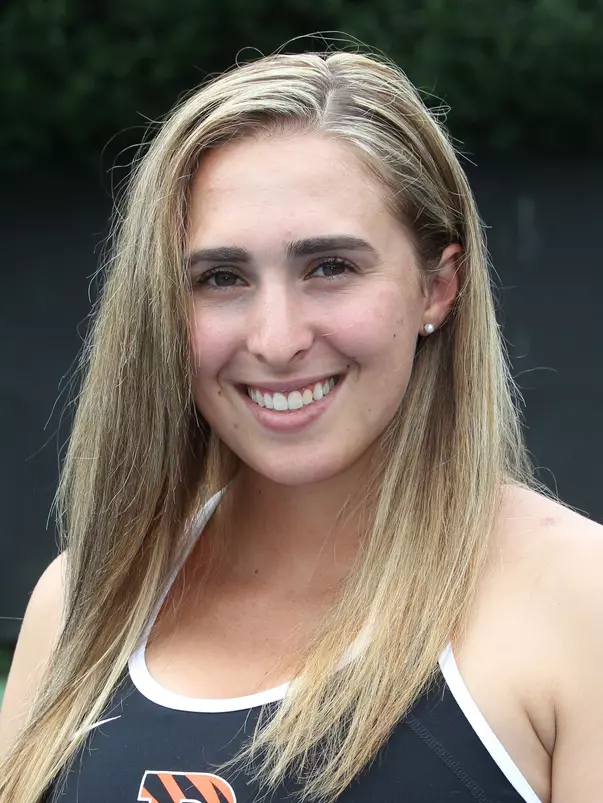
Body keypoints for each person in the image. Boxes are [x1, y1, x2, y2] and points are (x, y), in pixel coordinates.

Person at [1, 46, 602, 803]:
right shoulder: (84, 601)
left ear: (436, 287)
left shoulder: (580, 602)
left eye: (329, 267)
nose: (276, 339)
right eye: (221, 278)